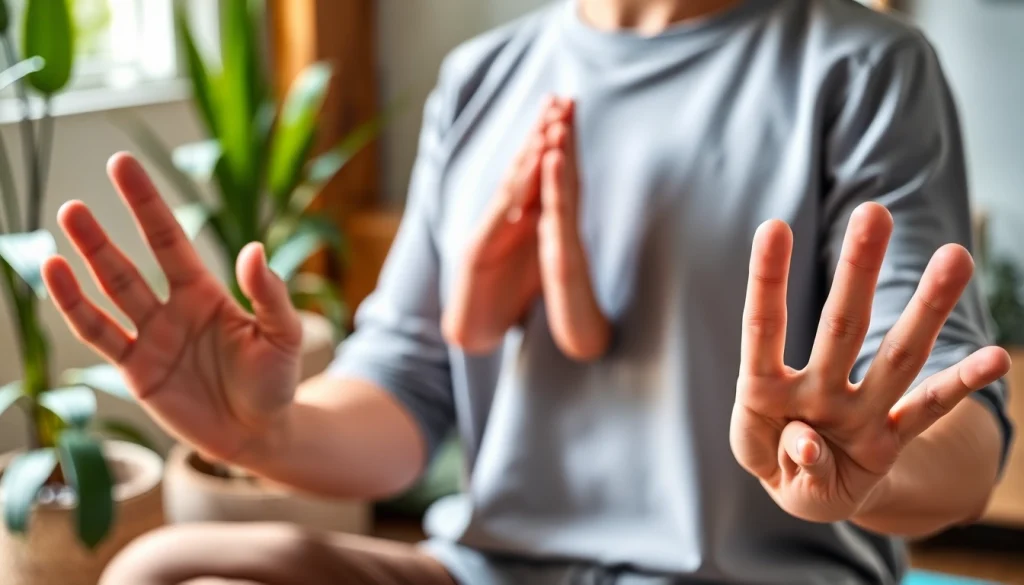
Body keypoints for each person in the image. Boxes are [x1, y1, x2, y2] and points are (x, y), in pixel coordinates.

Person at [43, 0, 1013, 583]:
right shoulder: (482, 78)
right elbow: (410, 387)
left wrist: (871, 467)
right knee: (164, 566)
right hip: (488, 568)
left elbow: (958, 435)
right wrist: (263, 431)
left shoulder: (862, 69)